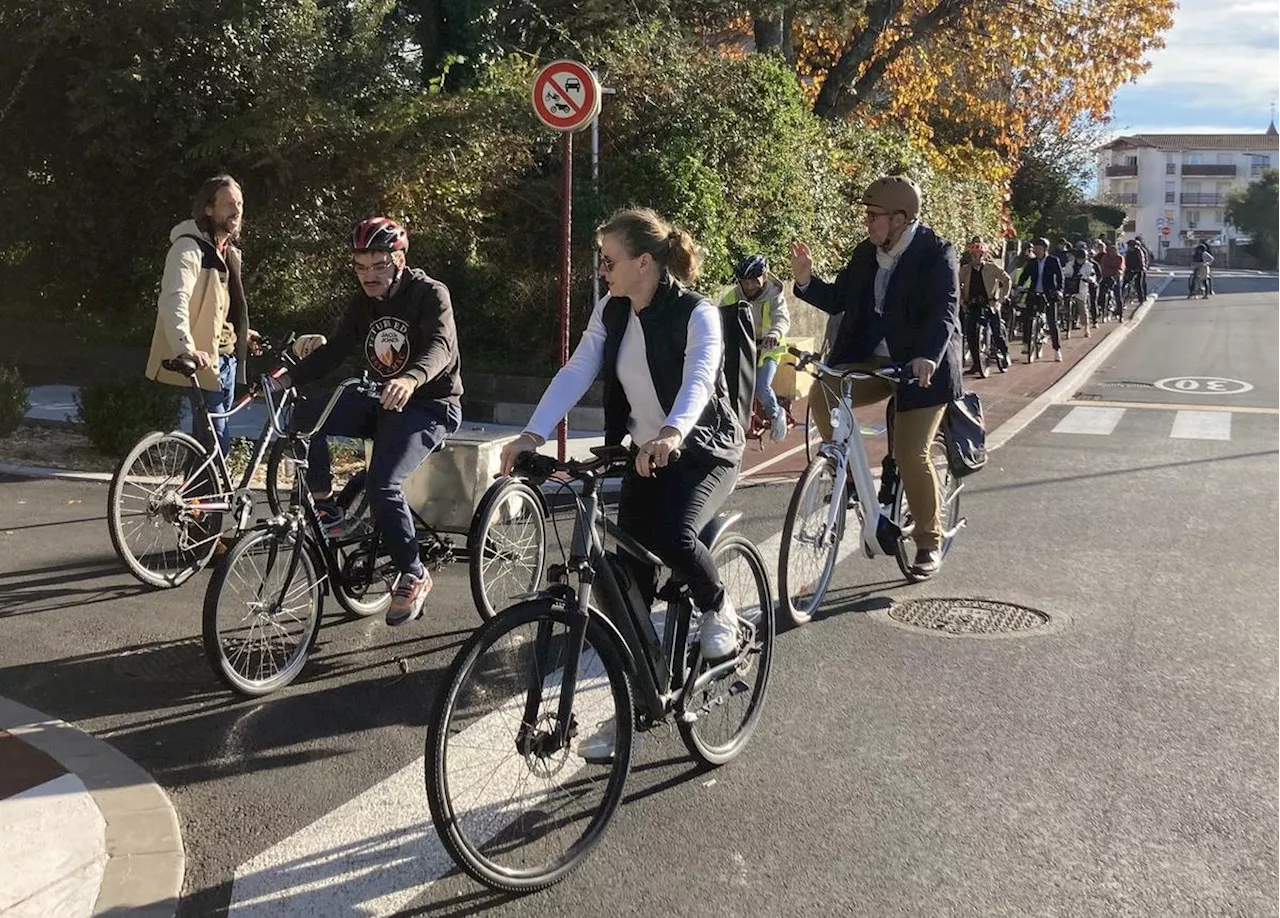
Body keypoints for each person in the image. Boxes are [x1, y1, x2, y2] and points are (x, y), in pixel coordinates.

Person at [500, 208, 745, 667]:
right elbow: (576, 371)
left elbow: (698, 380)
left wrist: (672, 433)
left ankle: (718, 608)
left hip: (704, 450)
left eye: (609, 261)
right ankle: (641, 673)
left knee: (675, 536)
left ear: (644, 264)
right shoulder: (611, 311)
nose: (602, 269)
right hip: (645, 456)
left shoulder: (697, 313)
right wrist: (532, 433)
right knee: (625, 574)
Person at [273, 217, 464, 627]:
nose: (368, 276)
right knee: (307, 412)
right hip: (381, 400)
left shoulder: (430, 294)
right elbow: (336, 349)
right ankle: (326, 506)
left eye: (378, 266)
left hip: (429, 405)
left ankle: (413, 572)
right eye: (360, 267)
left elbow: (441, 347)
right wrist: (286, 378)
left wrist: (411, 379)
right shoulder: (364, 304)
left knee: (382, 483)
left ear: (399, 259)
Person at [790, 176, 962, 578]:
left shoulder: (936, 253)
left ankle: (927, 541)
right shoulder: (867, 254)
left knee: (910, 452)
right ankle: (844, 475)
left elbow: (945, 312)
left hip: (922, 370)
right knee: (823, 392)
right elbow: (838, 299)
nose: (867, 223)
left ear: (901, 218)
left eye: (874, 216)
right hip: (872, 362)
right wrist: (804, 280)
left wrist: (926, 357)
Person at [146, 175, 260, 457]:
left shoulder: (227, 252)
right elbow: (175, 300)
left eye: (241, 204)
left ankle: (190, 499)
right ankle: (208, 499)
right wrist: (185, 348)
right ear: (208, 209)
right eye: (229, 204)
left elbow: (218, 309)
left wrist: (241, 333)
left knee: (205, 441)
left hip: (227, 359)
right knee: (216, 442)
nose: (237, 211)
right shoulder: (188, 248)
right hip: (204, 361)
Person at [722, 254, 790, 442]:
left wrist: (774, 334)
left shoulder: (775, 295)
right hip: (744, 347)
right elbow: (719, 316)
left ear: (765, 277)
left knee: (761, 386)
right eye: (745, 282)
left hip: (769, 348)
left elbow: (782, 318)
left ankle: (777, 415)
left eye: (754, 281)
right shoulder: (733, 296)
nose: (750, 286)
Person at [958, 239, 1011, 377]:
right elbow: (957, 285)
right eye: (975, 255)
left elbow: (1006, 280)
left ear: (985, 255)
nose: (977, 257)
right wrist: (962, 300)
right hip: (973, 304)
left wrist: (1001, 299)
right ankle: (976, 363)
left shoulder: (992, 268)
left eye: (980, 254)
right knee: (970, 333)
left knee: (997, 330)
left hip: (990, 303)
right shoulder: (965, 270)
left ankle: (1004, 353)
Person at [1016, 237, 1065, 362]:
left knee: (1052, 322)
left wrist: (1059, 290)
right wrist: (1020, 286)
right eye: (1035, 249)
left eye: (1039, 248)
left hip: (1049, 294)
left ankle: (1056, 350)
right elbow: (1024, 275)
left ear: (1045, 249)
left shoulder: (1053, 261)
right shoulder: (1032, 262)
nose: (1037, 251)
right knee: (1027, 317)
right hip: (1033, 292)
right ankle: (1027, 343)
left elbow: (1060, 277)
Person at [1061, 243, 1100, 336]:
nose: (1081, 260)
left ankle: (1086, 328)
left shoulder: (1088, 265)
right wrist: (1065, 276)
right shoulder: (1069, 264)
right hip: (1070, 287)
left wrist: (1090, 280)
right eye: (1079, 258)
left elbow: (1092, 275)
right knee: (1064, 303)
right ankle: (1065, 322)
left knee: (1082, 307)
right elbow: (1065, 272)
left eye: (1083, 258)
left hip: (1081, 288)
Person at [1098, 242, 1126, 322]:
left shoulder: (1120, 258)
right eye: (1111, 251)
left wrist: (1117, 274)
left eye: (1114, 251)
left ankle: (1120, 315)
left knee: (1118, 296)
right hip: (1106, 276)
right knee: (1103, 294)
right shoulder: (1105, 257)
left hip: (1116, 277)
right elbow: (1102, 266)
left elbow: (1121, 267)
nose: (1112, 253)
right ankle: (1103, 312)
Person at [1123, 238, 1148, 303]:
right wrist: (1124, 268)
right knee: (1124, 282)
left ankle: (1141, 299)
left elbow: (1141, 260)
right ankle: (1122, 296)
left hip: (1138, 269)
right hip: (1129, 268)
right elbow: (1125, 260)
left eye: (1130, 246)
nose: (1129, 247)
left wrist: (1142, 267)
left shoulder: (1138, 251)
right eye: (1129, 246)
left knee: (1138, 284)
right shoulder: (1128, 252)